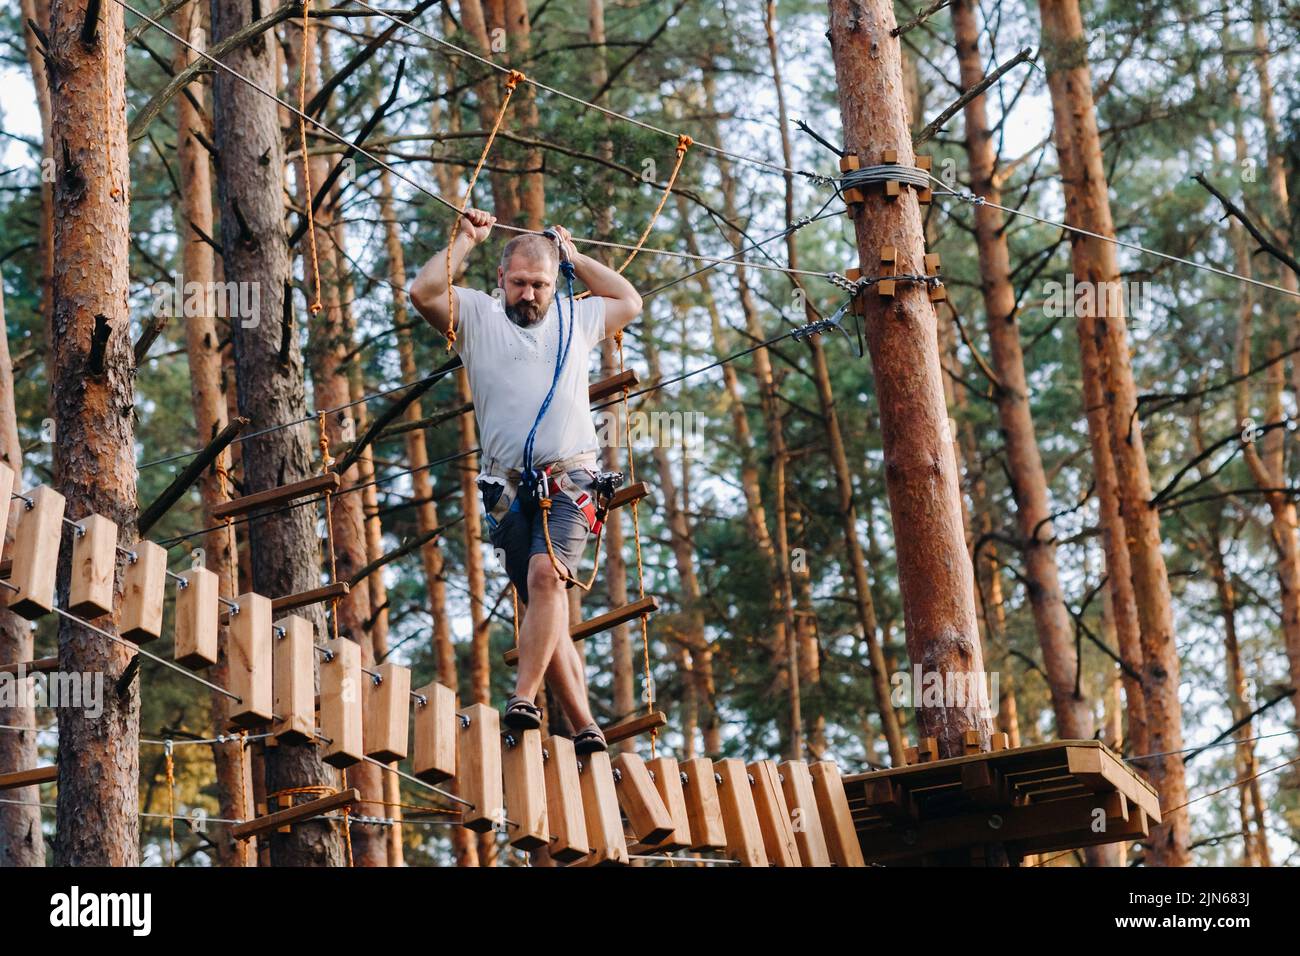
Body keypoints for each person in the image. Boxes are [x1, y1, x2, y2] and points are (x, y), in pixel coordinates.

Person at [407, 208, 643, 753]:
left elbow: (629, 300)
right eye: (519, 283)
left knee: (545, 579)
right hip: (507, 488)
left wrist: (576, 258)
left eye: (539, 283)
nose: (530, 294)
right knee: (546, 606)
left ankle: (523, 698)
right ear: (501, 280)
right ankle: (585, 725)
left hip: (573, 478)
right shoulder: (475, 316)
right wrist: (465, 238)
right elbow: (423, 292)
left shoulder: (575, 318)